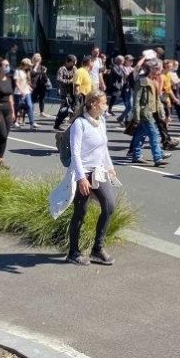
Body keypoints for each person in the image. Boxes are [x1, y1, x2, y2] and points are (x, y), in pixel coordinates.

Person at [65, 90, 117, 266]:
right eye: (104, 103)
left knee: (109, 205)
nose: (106, 106)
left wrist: (109, 167)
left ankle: (97, 249)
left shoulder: (100, 121)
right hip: (82, 173)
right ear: (94, 104)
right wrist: (81, 178)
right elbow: (75, 153)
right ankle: (73, 252)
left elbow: (104, 148)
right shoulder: (79, 124)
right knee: (80, 212)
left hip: (98, 171)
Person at [131, 58, 170, 167]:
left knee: (140, 135)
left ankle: (136, 155)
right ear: (152, 69)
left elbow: (157, 99)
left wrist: (161, 113)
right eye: (158, 69)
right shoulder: (142, 81)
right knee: (154, 134)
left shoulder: (154, 82)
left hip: (152, 113)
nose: (160, 71)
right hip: (145, 113)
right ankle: (157, 158)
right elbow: (136, 99)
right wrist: (137, 116)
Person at [0, 59, 15, 171]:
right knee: (2, 135)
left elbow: (10, 97)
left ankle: (0, 161)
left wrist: (13, 111)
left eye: (8, 65)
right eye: (6, 65)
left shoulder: (9, 79)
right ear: (0, 67)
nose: (8, 67)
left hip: (8, 110)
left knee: (5, 137)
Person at [54, 55, 78, 131]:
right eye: (73, 62)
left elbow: (77, 76)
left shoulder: (74, 68)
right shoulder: (62, 69)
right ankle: (57, 124)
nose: (74, 64)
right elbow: (59, 79)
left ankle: (72, 124)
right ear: (68, 62)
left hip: (72, 91)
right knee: (64, 109)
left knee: (73, 107)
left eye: (75, 62)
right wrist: (69, 81)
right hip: (64, 92)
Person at [12, 58, 37, 130]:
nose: (29, 67)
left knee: (30, 105)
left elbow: (26, 81)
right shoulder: (17, 71)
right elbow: (16, 82)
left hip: (26, 91)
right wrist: (21, 90)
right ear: (24, 65)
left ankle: (32, 123)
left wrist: (29, 87)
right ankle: (14, 121)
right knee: (17, 107)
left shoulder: (27, 71)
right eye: (28, 65)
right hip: (18, 92)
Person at [31, 53, 51, 118]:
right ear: (33, 60)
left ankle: (41, 112)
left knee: (41, 99)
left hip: (41, 86)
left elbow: (45, 78)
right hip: (33, 85)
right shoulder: (30, 67)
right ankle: (29, 111)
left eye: (39, 60)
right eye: (36, 60)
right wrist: (36, 66)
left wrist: (44, 73)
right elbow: (32, 73)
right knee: (32, 99)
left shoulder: (42, 67)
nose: (37, 61)